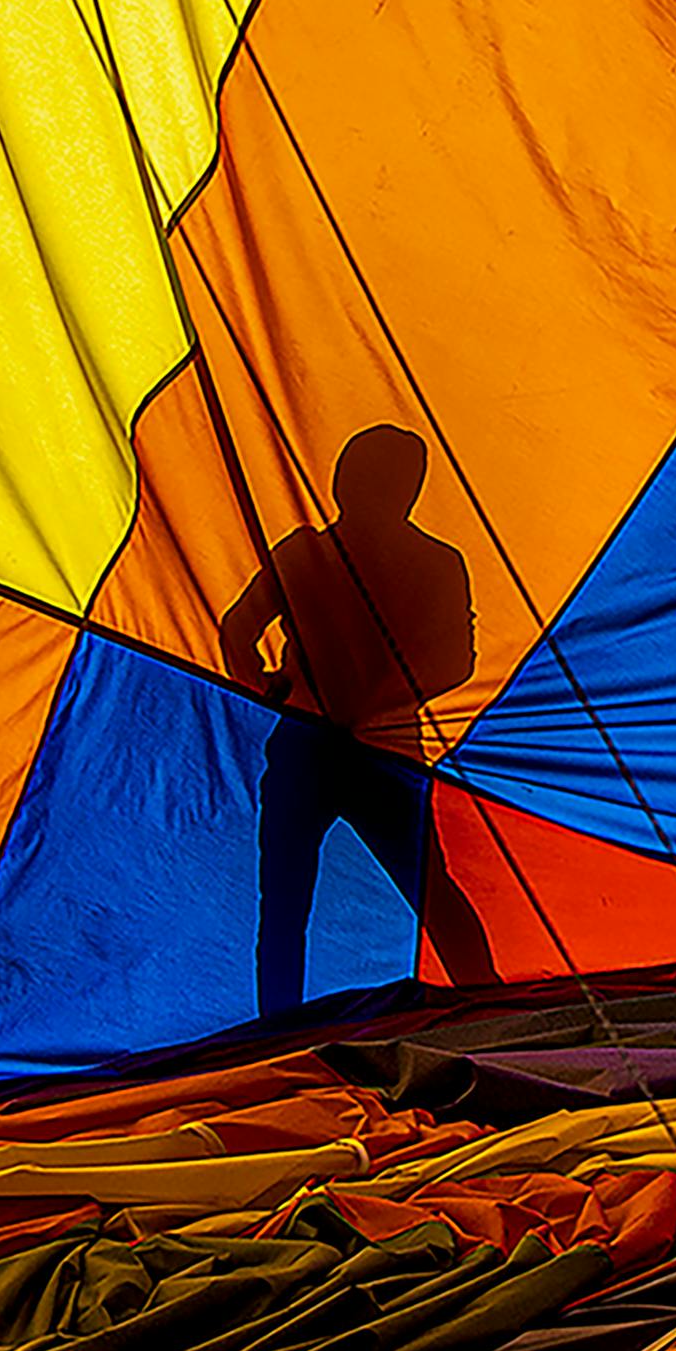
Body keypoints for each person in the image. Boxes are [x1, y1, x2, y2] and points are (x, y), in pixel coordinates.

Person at [218, 424, 474, 1019]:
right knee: (433, 892)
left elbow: (237, 630)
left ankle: (277, 1029)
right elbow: (456, 661)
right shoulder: (434, 562)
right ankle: (484, 1000)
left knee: (284, 902)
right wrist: (382, 700)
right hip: (382, 750)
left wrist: (267, 690)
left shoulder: (307, 552)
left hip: (312, 741)